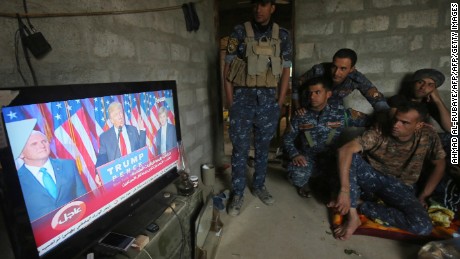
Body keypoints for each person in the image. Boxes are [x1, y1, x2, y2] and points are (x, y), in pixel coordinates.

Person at [329, 102, 446, 240]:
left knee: (423, 226)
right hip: (372, 176)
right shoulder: (381, 129)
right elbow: (345, 150)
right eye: (396, 119)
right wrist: (344, 191)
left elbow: (439, 164)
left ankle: (361, 204)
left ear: (419, 125)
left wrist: (424, 195)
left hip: (401, 186)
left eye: (404, 123)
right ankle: (353, 216)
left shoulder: (428, 135)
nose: (396, 125)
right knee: (350, 157)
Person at [223, 0, 292, 216]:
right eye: (255, 5)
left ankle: (259, 185)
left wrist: (280, 102)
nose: (258, 9)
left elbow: (286, 71)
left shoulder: (282, 35)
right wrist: (231, 103)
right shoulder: (239, 31)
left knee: (263, 149)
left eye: (263, 5)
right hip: (242, 101)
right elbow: (227, 71)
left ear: (272, 7)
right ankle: (237, 193)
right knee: (240, 149)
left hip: (268, 102)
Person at [283, 77, 369, 198]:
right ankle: (308, 182)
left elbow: (370, 122)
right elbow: (287, 139)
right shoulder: (301, 115)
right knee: (296, 176)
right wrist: (295, 155)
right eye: (310, 93)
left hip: (332, 158)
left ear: (328, 94)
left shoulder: (340, 114)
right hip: (309, 158)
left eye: (317, 92)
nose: (312, 97)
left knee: (349, 179)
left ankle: (322, 180)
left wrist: (364, 143)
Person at [17, 130, 87, 221]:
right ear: (21, 153)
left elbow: (84, 197)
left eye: (44, 141)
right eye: (34, 144)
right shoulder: (17, 180)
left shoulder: (68, 165)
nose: (42, 146)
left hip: (77, 223)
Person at [292, 48, 389, 112]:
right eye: (334, 67)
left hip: (332, 114)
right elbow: (296, 84)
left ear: (351, 69)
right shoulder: (319, 70)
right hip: (308, 110)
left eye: (343, 69)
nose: (336, 73)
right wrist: (297, 107)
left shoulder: (356, 78)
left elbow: (376, 97)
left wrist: (385, 116)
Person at [96, 101, 146, 166]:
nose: (120, 117)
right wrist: (98, 173)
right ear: (112, 120)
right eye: (116, 115)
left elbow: (141, 150)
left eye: (120, 113)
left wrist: (142, 130)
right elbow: (101, 158)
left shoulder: (133, 130)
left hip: (136, 169)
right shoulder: (105, 138)